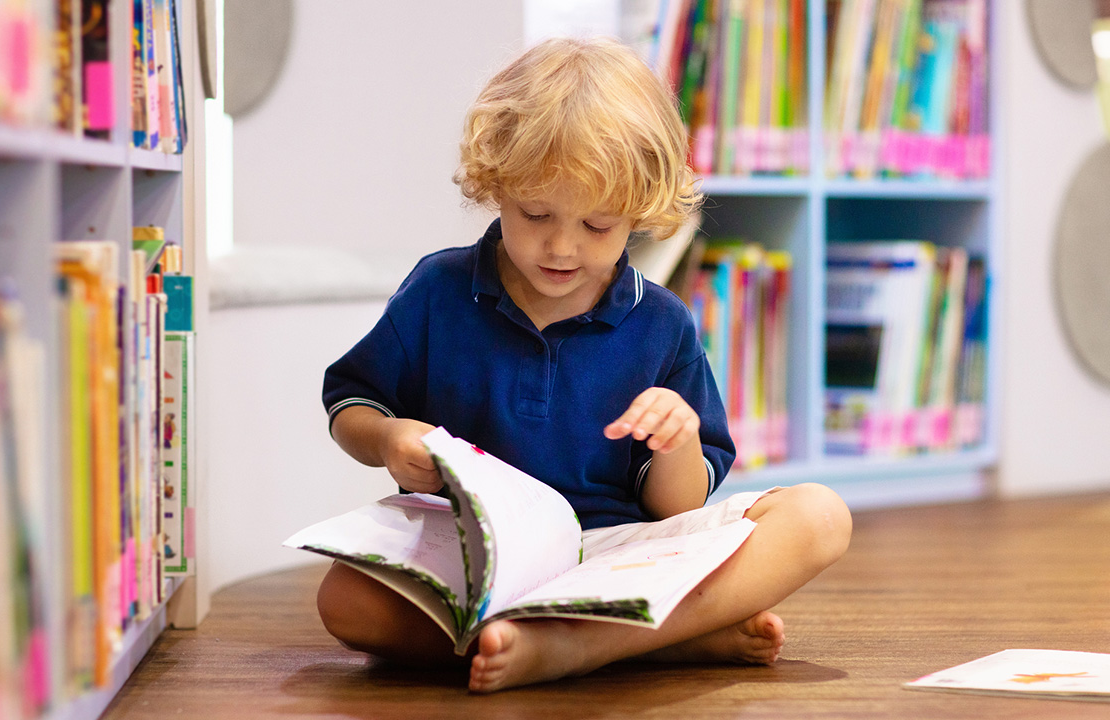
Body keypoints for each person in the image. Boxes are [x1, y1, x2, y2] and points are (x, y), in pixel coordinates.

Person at [317, 36, 852, 693]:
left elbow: (677, 503)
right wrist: (388, 438)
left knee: (821, 516)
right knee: (343, 601)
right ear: (497, 185)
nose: (562, 246)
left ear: (639, 212)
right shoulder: (438, 290)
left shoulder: (661, 323)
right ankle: (656, 639)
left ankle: (577, 643)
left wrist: (677, 439)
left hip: (619, 555)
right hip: (473, 555)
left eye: (598, 225)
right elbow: (352, 402)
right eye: (535, 213)